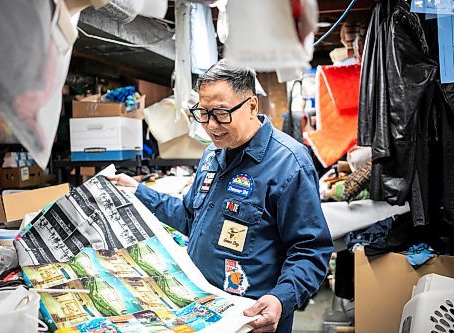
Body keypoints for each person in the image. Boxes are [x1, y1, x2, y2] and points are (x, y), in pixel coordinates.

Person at [109, 60, 333, 333]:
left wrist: (280, 299)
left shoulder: (289, 164)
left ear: (252, 106)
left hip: (251, 319)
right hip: (203, 311)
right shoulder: (212, 154)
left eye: (221, 113)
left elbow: (310, 250)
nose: (211, 126)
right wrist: (139, 191)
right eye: (203, 113)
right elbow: (192, 217)